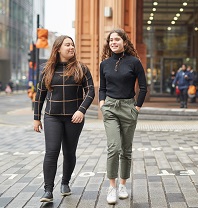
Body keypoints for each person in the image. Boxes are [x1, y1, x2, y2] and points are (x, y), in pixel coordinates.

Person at [33, 35, 95, 203]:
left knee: (69, 152)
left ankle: (65, 183)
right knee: (51, 152)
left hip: (73, 119)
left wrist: (81, 110)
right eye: (67, 45)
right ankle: (48, 191)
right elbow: (40, 95)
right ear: (58, 48)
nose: (71, 47)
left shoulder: (81, 68)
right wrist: (36, 118)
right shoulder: (47, 69)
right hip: (52, 117)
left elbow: (90, 92)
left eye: (72, 45)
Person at [99, 28, 147, 204]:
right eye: (111, 40)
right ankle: (112, 187)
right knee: (114, 147)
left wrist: (137, 108)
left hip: (128, 108)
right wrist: (102, 104)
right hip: (110, 108)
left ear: (124, 42)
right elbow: (102, 88)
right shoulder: (104, 64)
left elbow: (143, 87)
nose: (113, 42)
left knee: (126, 149)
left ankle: (123, 185)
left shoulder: (134, 62)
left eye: (117, 39)